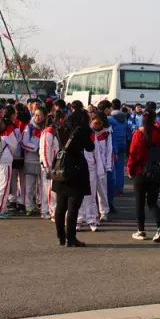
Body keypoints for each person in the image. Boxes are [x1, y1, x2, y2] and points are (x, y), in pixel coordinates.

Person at [52, 101, 94, 247]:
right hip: (76, 167)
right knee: (73, 206)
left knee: (60, 205)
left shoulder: (62, 127)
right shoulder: (84, 130)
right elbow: (90, 147)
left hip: (60, 164)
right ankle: (71, 237)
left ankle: (60, 236)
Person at [127, 110, 160, 242]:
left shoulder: (138, 134)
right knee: (152, 203)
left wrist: (130, 169)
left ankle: (141, 230)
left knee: (139, 203)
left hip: (140, 171)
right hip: (155, 171)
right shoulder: (159, 133)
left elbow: (134, 153)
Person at [39, 110, 65, 220]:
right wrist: (47, 166)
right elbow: (45, 150)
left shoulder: (54, 131)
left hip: (52, 165)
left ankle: (46, 210)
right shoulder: (49, 131)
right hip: (49, 165)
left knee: (48, 189)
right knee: (50, 190)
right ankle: (51, 211)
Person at [21, 107, 47, 216]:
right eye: (36, 115)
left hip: (42, 161)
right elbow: (24, 143)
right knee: (30, 186)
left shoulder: (46, 127)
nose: (37, 117)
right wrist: (37, 148)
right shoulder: (29, 127)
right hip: (30, 160)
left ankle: (43, 207)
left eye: (40, 115)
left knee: (43, 186)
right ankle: (29, 206)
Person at [108, 99, 129, 195]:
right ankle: (120, 189)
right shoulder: (124, 119)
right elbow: (129, 132)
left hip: (113, 145)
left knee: (112, 168)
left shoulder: (109, 119)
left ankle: (114, 188)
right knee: (120, 168)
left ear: (111, 107)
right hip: (123, 144)